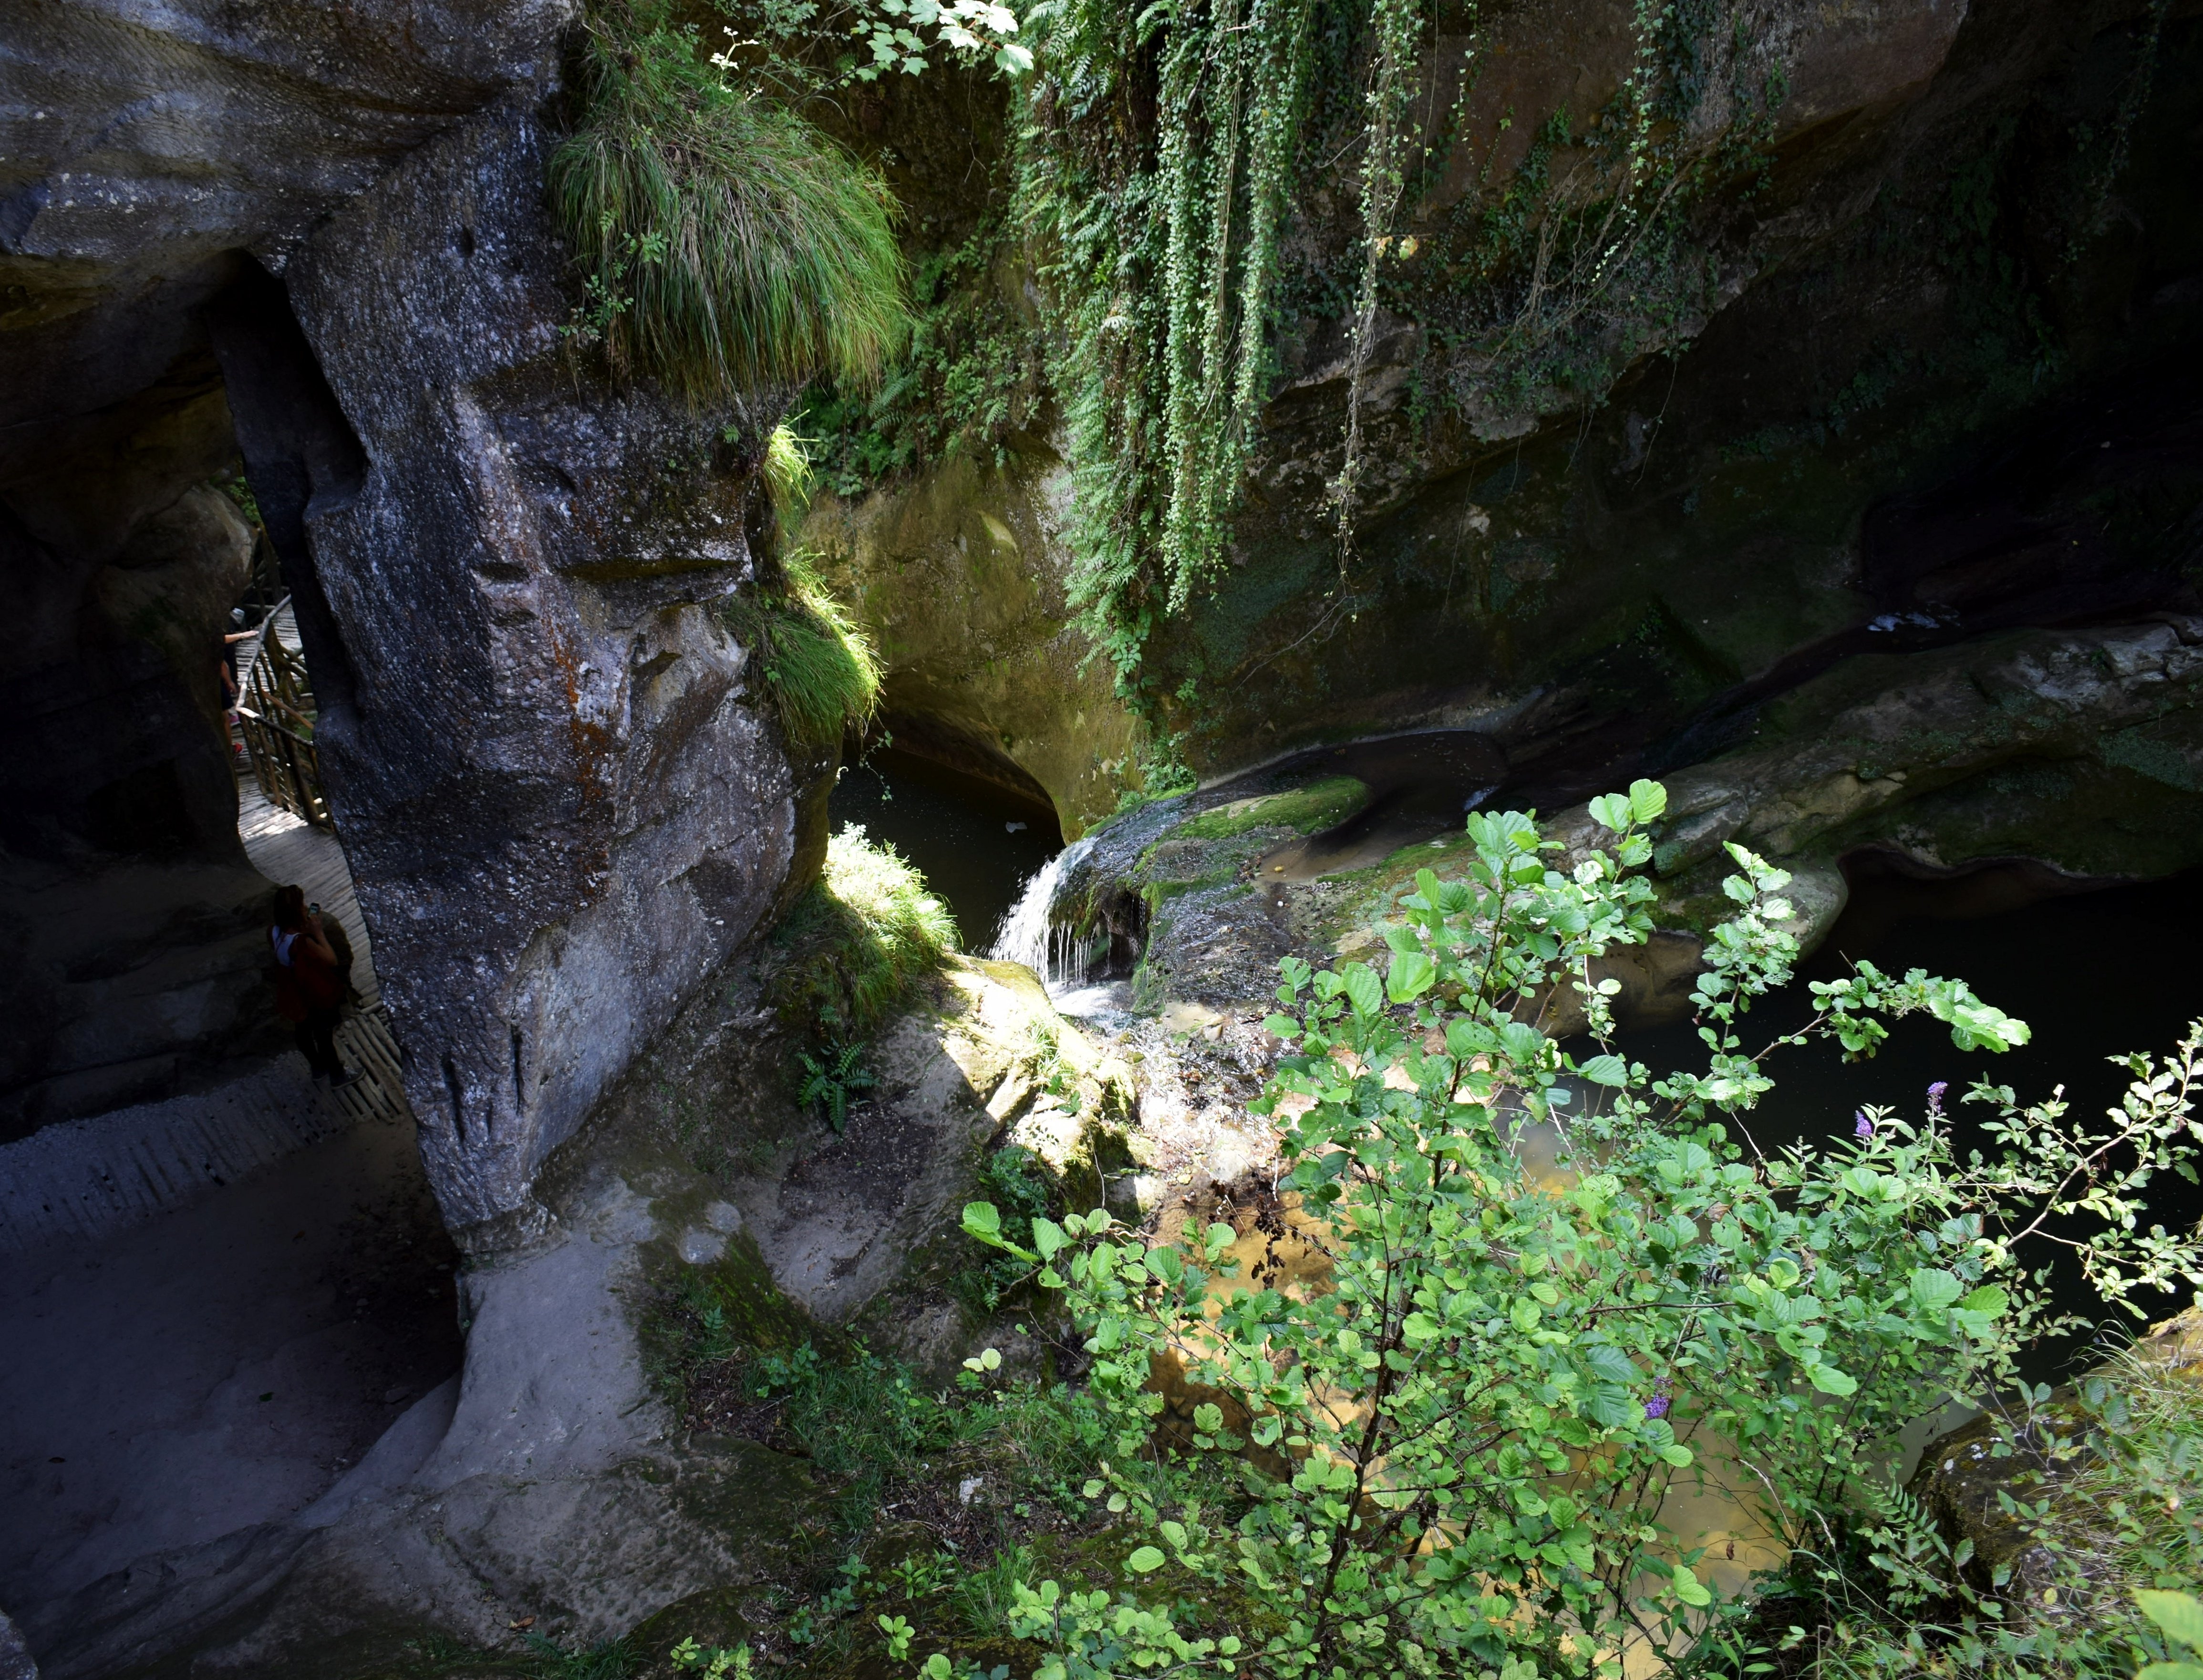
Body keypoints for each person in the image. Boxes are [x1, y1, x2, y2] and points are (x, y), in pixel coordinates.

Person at [270, 884, 361, 1089]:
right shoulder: (303, 942)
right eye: (302, 905)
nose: (305, 907)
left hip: (294, 990)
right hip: (315, 992)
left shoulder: (274, 932)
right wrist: (318, 933)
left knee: (303, 1031)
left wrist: (302, 925)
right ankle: (338, 1075)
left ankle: (318, 1068)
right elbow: (331, 960)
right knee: (323, 1034)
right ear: (296, 912)